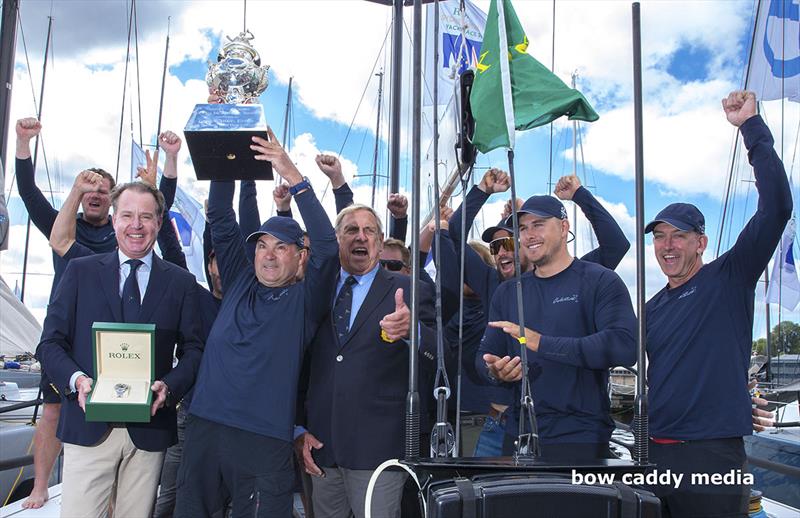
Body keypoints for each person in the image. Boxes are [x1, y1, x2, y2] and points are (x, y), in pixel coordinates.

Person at [174, 127, 340, 518]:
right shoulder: (238, 281)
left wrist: (293, 175)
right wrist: (224, 142)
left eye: (281, 247)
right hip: (204, 428)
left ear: (299, 257)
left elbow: (328, 248)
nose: (269, 255)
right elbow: (219, 214)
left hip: (263, 440)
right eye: (262, 245)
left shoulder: (306, 300)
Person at [643, 91, 792, 518]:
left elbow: (777, 208)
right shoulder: (652, 307)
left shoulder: (730, 276)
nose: (667, 246)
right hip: (654, 454)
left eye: (679, 236)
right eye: (659, 237)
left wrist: (751, 128)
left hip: (712, 458)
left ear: (701, 242)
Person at [35, 180, 204, 518]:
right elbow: (50, 343)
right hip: (87, 425)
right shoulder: (80, 272)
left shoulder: (181, 283)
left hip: (150, 429)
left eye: (145, 217)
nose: (136, 225)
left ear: (158, 222)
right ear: (114, 220)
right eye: (127, 215)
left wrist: (169, 387)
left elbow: (195, 350)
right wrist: (77, 380)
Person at [445, 168, 631, 456]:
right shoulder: (505, 292)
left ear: (564, 227)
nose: (528, 235)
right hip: (515, 433)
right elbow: (486, 356)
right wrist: (494, 370)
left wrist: (541, 343)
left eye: (538, 224)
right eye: (522, 228)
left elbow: (624, 346)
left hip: (579, 436)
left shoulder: (597, 279)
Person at [295, 204, 441, 518]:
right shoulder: (314, 289)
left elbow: (442, 356)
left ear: (380, 239)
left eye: (369, 230)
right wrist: (297, 428)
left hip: (378, 452)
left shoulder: (410, 289)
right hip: (321, 448)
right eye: (351, 230)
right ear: (336, 239)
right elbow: (300, 365)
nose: (360, 237)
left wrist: (411, 331)